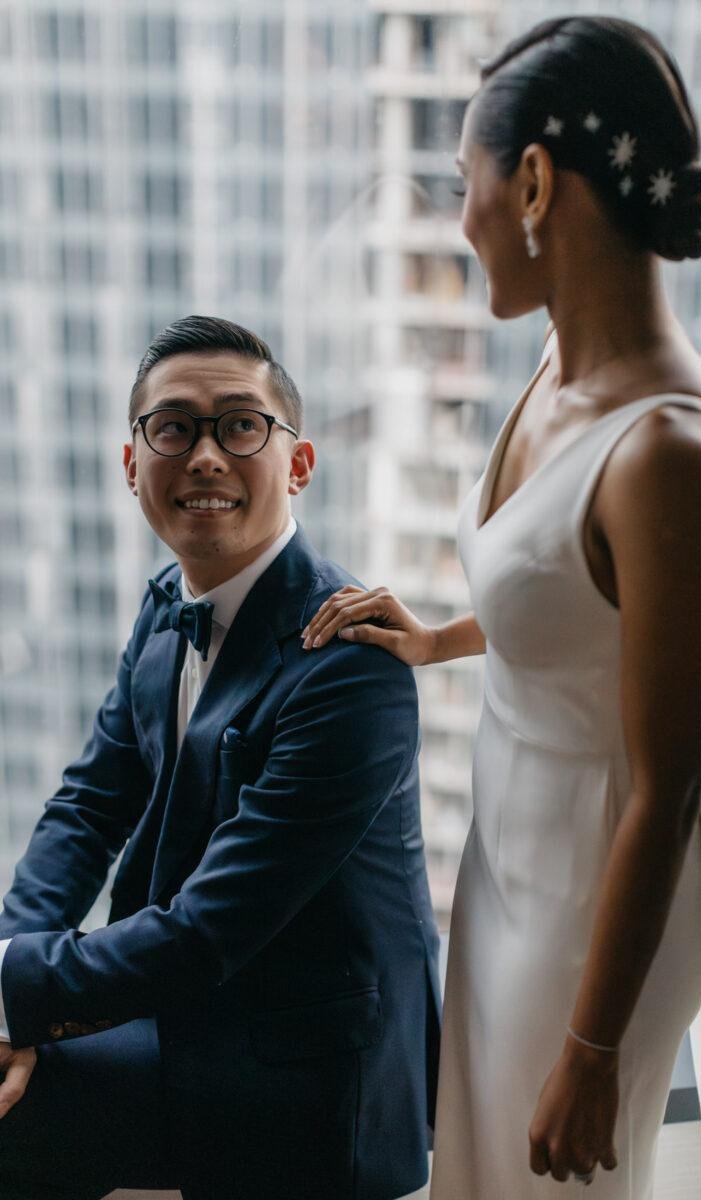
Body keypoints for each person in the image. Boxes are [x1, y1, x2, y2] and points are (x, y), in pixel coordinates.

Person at [302, 16, 701, 1199]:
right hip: (507, 868)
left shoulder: (664, 447)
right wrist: (437, 639)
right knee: (475, 1158)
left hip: (592, 918)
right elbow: (583, 606)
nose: (457, 220)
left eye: (466, 183)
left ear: (532, 182)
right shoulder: (555, 370)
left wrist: (590, 1051)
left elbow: (668, 779)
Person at [0, 315, 441, 1200]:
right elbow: (88, 809)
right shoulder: (168, 600)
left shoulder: (351, 665)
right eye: (174, 428)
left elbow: (211, 928)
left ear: (298, 464)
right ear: (133, 466)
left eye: (240, 426)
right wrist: (14, 968)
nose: (205, 456)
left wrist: (16, 995)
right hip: (187, 1007)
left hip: (299, 1069)